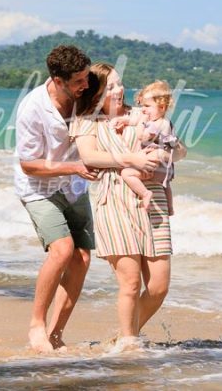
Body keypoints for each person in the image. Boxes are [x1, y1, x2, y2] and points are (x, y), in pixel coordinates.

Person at [70, 63, 187, 345]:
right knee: (131, 283)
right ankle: (129, 343)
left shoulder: (141, 114)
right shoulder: (87, 120)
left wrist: (166, 147)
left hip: (153, 200)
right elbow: (89, 156)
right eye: (110, 86)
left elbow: (180, 151)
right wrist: (130, 160)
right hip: (114, 200)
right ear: (96, 90)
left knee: (158, 286)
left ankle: (121, 337)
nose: (119, 90)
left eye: (120, 83)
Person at [14, 44, 99, 353]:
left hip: (74, 187)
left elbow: (115, 103)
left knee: (83, 258)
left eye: (86, 78)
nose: (85, 85)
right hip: (39, 188)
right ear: (58, 80)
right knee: (62, 251)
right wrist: (74, 165)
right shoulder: (32, 108)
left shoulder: (87, 93)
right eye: (78, 81)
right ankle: (37, 324)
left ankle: (55, 332)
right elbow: (29, 164)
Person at [110, 80, 180, 214]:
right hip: (165, 168)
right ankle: (170, 207)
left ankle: (145, 193)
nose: (143, 110)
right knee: (166, 186)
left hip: (156, 165)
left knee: (127, 173)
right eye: (142, 105)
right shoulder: (157, 120)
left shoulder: (160, 124)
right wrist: (124, 121)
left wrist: (141, 123)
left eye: (147, 106)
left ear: (162, 107)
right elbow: (134, 120)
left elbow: (142, 136)